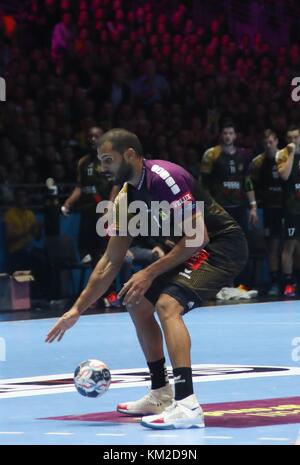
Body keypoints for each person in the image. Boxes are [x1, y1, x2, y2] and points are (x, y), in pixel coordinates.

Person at [46, 128, 248, 430]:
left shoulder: (165, 178)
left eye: (107, 160)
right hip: (186, 250)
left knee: (167, 305)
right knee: (136, 300)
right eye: (101, 161)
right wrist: (77, 309)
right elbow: (110, 261)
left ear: (130, 155)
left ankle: (187, 404)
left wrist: (149, 271)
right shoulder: (126, 198)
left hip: (220, 246)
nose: (103, 168)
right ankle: (161, 393)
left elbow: (198, 236)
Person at [62, 126, 115, 263]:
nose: (92, 139)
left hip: (103, 211)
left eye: (96, 136)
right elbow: (79, 187)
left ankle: (110, 284)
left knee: (104, 252)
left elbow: (117, 185)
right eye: (90, 136)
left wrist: (110, 205)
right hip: (87, 211)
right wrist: (68, 202)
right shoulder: (82, 162)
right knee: (87, 253)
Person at [250, 130, 283, 296]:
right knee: (272, 247)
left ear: (276, 141)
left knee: (293, 246)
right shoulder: (257, 162)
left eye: (271, 142)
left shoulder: (286, 158)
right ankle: (275, 283)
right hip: (269, 209)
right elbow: (250, 183)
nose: (268, 145)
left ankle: (291, 281)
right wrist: (254, 206)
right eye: (266, 143)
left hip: (287, 208)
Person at [275, 126, 300, 297]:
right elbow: (284, 175)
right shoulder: (282, 154)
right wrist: (291, 153)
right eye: (290, 138)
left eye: (296, 137)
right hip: (291, 208)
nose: (293, 140)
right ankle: (288, 283)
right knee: (289, 245)